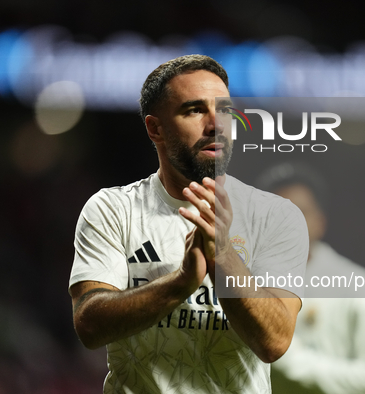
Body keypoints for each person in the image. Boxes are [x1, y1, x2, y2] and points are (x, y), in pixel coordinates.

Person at [68, 55, 309, 393]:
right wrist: (180, 283)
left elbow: (274, 340)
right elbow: (89, 325)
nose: (216, 124)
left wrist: (223, 256)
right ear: (156, 128)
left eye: (224, 110)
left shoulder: (276, 215)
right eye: (195, 110)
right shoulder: (112, 209)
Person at [257, 162, 365, 394]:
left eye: (299, 212)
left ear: (320, 222)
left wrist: (292, 363)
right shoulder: (242, 282)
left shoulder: (354, 283)